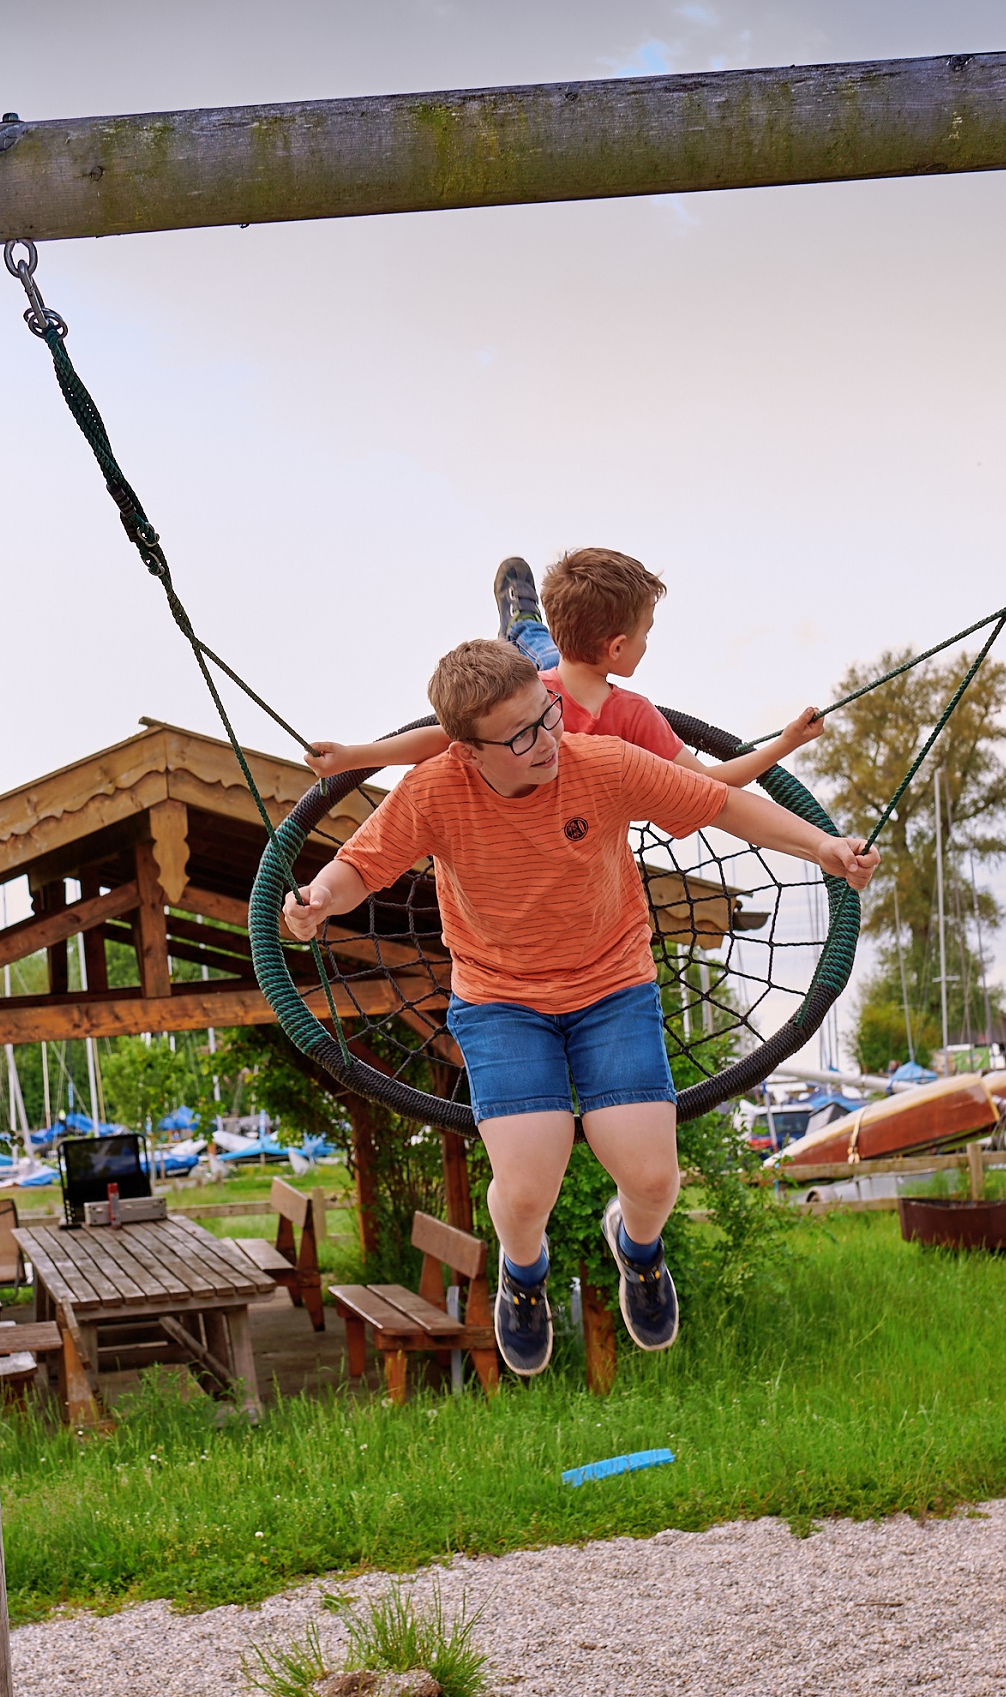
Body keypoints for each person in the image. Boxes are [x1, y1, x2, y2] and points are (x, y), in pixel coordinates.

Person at [282, 638, 880, 1375]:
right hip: (500, 1000)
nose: (547, 739)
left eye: (549, 714)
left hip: (612, 985)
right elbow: (358, 867)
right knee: (526, 1189)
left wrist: (823, 848)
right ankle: (523, 1274)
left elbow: (723, 804)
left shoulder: (601, 763)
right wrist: (317, 900)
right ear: (467, 751)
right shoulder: (434, 790)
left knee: (654, 1180)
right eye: (520, 735)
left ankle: (638, 1248)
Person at [305, 550, 825, 787]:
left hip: (558, 680)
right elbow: (714, 781)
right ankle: (525, 622)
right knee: (535, 661)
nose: (648, 643)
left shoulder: (566, 697)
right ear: (617, 648)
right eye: (646, 633)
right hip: (542, 674)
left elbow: (439, 737)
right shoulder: (573, 704)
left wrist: (355, 755)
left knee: (547, 663)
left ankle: (532, 627)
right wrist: (787, 742)